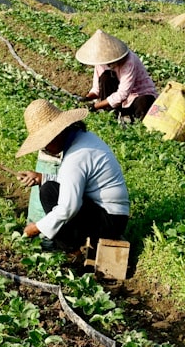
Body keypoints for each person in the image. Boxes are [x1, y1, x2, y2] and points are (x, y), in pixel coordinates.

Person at [15, 99, 130, 252]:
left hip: (110, 221)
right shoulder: (82, 140)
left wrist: (36, 228)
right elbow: (73, 183)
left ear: (55, 136)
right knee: (49, 186)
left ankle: (70, 248)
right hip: (110, 214)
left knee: (49, 192)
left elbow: (69, 207)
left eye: (44, 144)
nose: (45, 149)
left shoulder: (76, 156)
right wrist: (42, 178)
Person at [76, 29, 157, 123]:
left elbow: (123, 93)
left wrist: (94, 107)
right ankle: (111, 114)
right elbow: (97, 89)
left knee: (144, 101)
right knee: (105, 77)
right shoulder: (101, 62)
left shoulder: (129, 61)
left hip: (137, 96)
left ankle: (134, 121)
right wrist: (87, 98)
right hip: (118, 101)